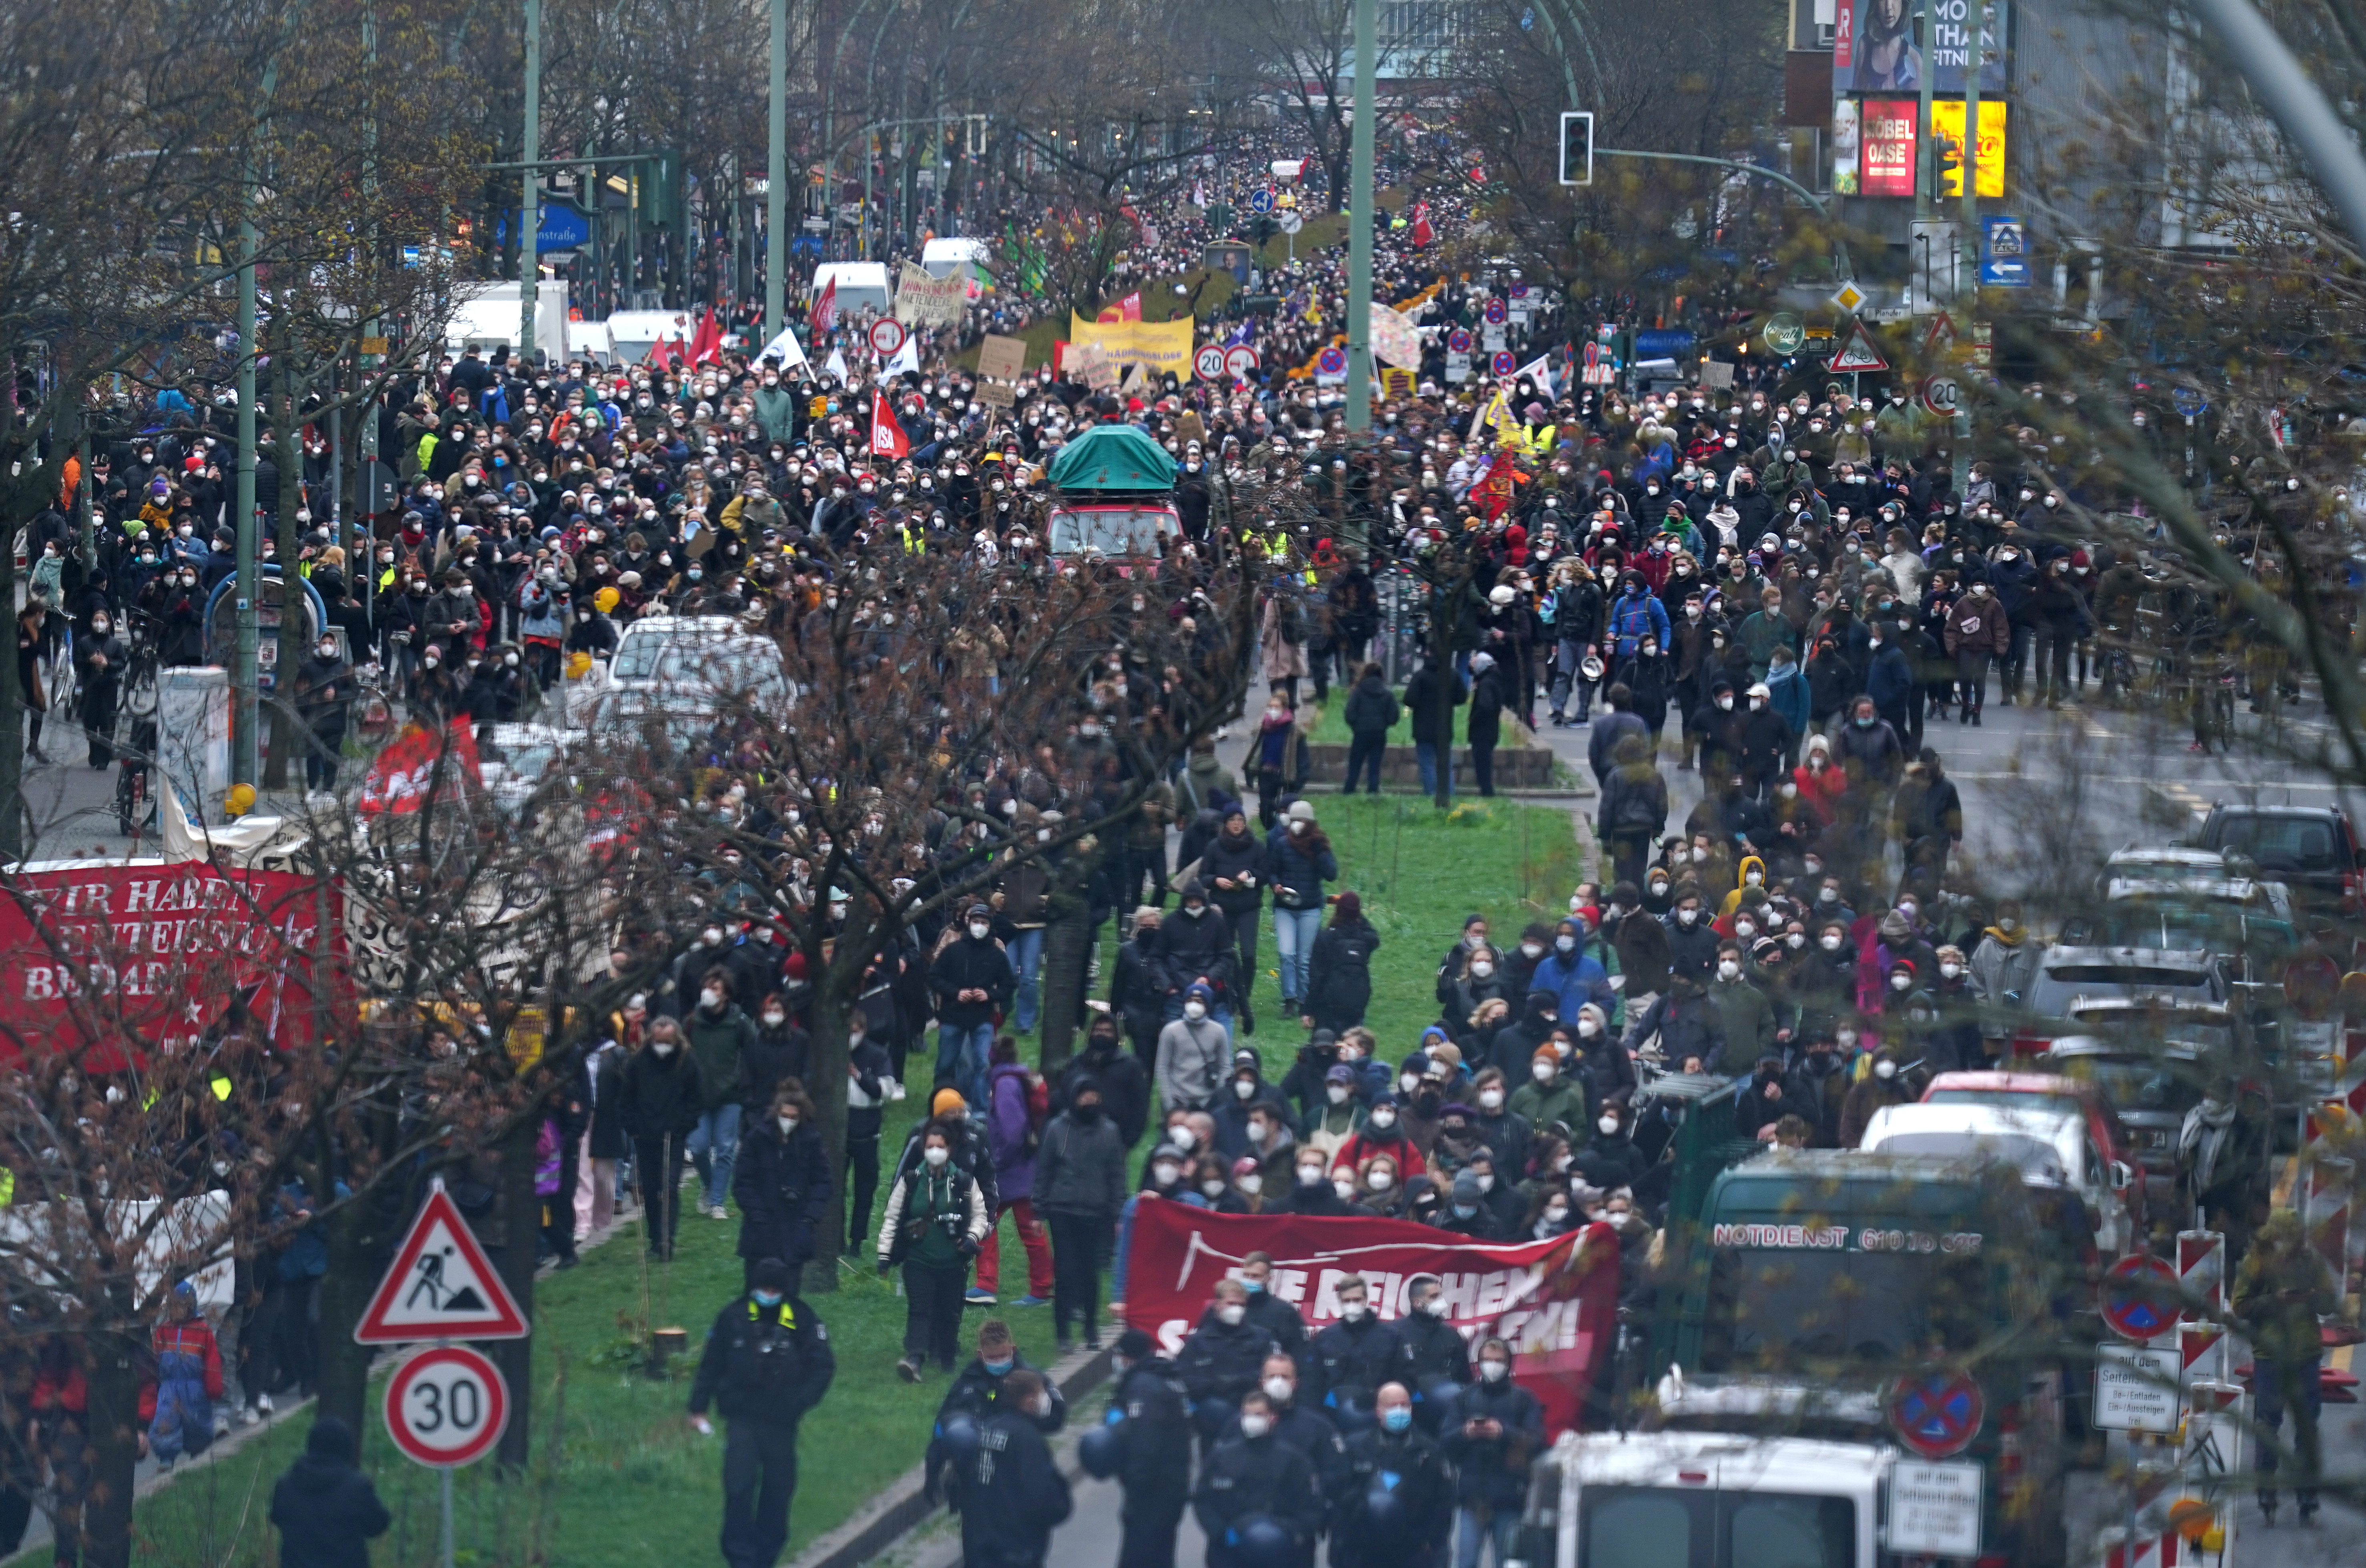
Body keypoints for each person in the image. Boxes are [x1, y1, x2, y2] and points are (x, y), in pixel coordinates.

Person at [687, 1257, 836, 1568]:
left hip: (781, 1422)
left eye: (775, 1288)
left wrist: (800, 1401)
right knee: (738, 1486)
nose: (769, 1293)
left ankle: (767, 1554)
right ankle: (740, 1557)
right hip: (742, 1419)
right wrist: (698, 1406)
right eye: (764, 1287)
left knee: (778, 1489)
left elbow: (822, 1365)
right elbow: (711, 1364)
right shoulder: (733, 1317)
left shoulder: (802, 1317)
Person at [2233, 1210, 2336, 1524]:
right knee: (2268, 1424)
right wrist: (2274, 1300)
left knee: (2306, 1426)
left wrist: (2314, 1297)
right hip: (2271, 1356)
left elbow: (2330, 1304)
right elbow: (2241, 1305)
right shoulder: (2256, 1263)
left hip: (2304, 1354)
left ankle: (2307, 1492)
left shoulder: (2311, 1262)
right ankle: (2267, 1488)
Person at [877, 1119, 991, 1380]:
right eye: (930, 1146)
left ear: (949, 1149)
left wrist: (972, 1238)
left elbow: (979, 1214)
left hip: (954, 1261)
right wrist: (885, 1254)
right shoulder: (911, 1180)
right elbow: (893, 1216)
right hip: (919, 1259)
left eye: (940, 1146)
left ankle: (947, 1358)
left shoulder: (964, 1181)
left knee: (949, 1312)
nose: (935, 1151)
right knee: (920, 1308)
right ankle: (915, 1357)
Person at [1032, 1076, 1128, 1350]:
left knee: (1091, 1272)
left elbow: (1116, 1174)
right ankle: (1063, 1333)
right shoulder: (1056, 1129)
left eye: (1094, 1096)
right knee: (1064, 1271)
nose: (1090, 1101)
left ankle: (1090, 1329)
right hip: (1062, 1208)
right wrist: (1038, 1210)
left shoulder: (1110, 1131)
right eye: (1085, 1095)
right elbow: (1045, 1170)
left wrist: (1117, 1212)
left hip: (1096, 1210)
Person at [944, 1367, 1073, 1568]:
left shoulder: (986, 1429)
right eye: (1041, 1393)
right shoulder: (1026, 1438)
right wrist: (1060, 1506)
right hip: (1017, 1548)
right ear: (1030, 1399)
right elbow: (1040, 1493)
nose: (1045, 1399)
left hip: (981, 1543)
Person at [1194, 1387, 1325, 1568]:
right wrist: (1222, 1534)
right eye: (1247, 1414)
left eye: (1259, 1414)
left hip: (1282, 1552)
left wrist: (1290, 1535)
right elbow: (1203, 1499)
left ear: (1273, 1418)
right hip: (1230, 1553)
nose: (1252, 1420)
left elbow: (1311, 1506)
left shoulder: (1295, 1461)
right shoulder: (1222, 1457)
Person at [1442, 1339, 1543, 1568]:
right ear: (1478, 1364)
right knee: (1465, 1561)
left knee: (1508, 1562)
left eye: (1499, 1361)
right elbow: (1445, 1441)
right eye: (1488, 1360)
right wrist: (1465, 1433)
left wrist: (1503, 1432)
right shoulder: (1464, 1399)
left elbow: (1536, 1442)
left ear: (1509, 1364)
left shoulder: (1524, 1399)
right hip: (1471, 1498)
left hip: (1509, 1497)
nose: (1493, 1365)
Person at [1332, 1382, 1455, 1568]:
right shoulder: (1355, 1447)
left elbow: (1444, 1500)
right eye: (1392, 1406)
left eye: (1404, 1405)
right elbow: (1341, 1498)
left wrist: (1431, 1543)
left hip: (1413, 1550)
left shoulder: (1429, 1449)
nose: (1399, 1410)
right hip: (1366, 1550)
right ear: (1378, 1411)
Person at [732, 1082, 834, 1290]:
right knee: (756, 1288)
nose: (788, 1121)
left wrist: (809, 1217)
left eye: (793, 1117)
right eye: (784, 1116)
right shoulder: (758, 1139)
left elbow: (822, 1182)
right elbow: (743, 1181)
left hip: (796, 1226)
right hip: (761, 1227)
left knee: (790, 1290)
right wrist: (757, 1214)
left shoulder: (811, 1142)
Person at [1107, 1327, 1194, 1568]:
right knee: (1161, 1555)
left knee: (1140, 1556)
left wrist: (1134, 1482)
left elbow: (1146, 1443)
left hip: (1153, 1490)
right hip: (1171, 1486)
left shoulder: (1145, 1388)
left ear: (1127, 1356)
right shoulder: (1166, 1379)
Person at [619, 1020, 703, 1260]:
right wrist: (633, 1127)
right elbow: (627, 1099)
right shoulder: (637, 1063)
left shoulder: (687, 1062)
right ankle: (655, 1237)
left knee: (669, 1187)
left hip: (673, 1136)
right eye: (659, 1042)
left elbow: (696, 1099)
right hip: (645, 1135)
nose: (662, 1047)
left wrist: (683, 1128)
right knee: (651, 1188)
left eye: (667, 1042)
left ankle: (668, 1239)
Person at [270, 1417, 392, 1568]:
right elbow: (378, 1524)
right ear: (346, 1449)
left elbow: (277, 1518)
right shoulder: (358, 1487)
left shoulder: (285, 1485)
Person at [687, 970, 758, 1221]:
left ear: (726, 994)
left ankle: (717, 1202)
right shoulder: (692, 1021)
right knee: (698, 1147)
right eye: (707, 987)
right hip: (699, 1097)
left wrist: (747, 1085)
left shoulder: (740, 1022)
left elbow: (755, 1052)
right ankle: (709, 1185)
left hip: (730, 1095)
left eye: (716, 988)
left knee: (726, 1149)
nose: (709, 992)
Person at [1305, 1273, 1413, 1429]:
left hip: (1378, 1418)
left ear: (1365, 1300)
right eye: (1347, 1301)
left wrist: (1380, 1398)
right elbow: (1313, 1382)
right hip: (1334, 1418)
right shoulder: (1326, 1338)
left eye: (1357, 1300)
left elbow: (1405, 1378)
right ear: (1340, 1302)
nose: (1352, 1304)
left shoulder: (1391, 1337)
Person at [933, 904, 1014, 1109]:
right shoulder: (953, 951)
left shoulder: (997, 955)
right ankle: (940, 1105)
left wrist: (989, 995)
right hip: (953, 1016)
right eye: (976, 922)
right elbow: (934, 978)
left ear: (990, 926)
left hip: (982, 1017)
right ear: (968, 924)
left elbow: (1008, 985)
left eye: (984, 923)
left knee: (982, 1063)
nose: (980, 926)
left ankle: (980, 1109)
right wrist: (955, 993)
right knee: (946, 1064)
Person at [1266, 800, 1338, 1018]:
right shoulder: (1281, 844)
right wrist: (1275, 884)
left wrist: (1320, 853)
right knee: (1287, 953)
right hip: (1285, 907)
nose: (1298, 825)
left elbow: (1331, 874)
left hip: (1310, 908)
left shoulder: (1319, 845)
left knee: (1304, 958)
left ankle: (1305, 999)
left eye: (1302, 821)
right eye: (1294, 820)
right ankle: (1289, 999)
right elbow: (1272, 870)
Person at [141, 1281, 222, 1470]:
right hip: (169, 1386)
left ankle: (198, 1450)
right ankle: (166, 1457)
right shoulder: (164, 1330)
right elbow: (154, 1357)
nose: (174, 1311)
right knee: (166, 1419)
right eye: (172, 1306)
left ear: (190, 1307)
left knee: (196, 1420)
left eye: (180, 1306)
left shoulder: (202, 1331)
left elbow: (212, 1362)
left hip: (194, 1386)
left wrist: (213, 1387)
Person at [1341, 661, 1400, 794]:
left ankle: (1349, 790)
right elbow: (1394, 716)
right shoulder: (1387, 694)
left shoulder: (1358, 692)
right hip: (1379, 733)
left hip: (1361, 733)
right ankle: (1373, 791)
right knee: (1375, 764)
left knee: (1355, 764)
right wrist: (1384, 724)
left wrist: (1356, 725)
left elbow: (1350, 713)